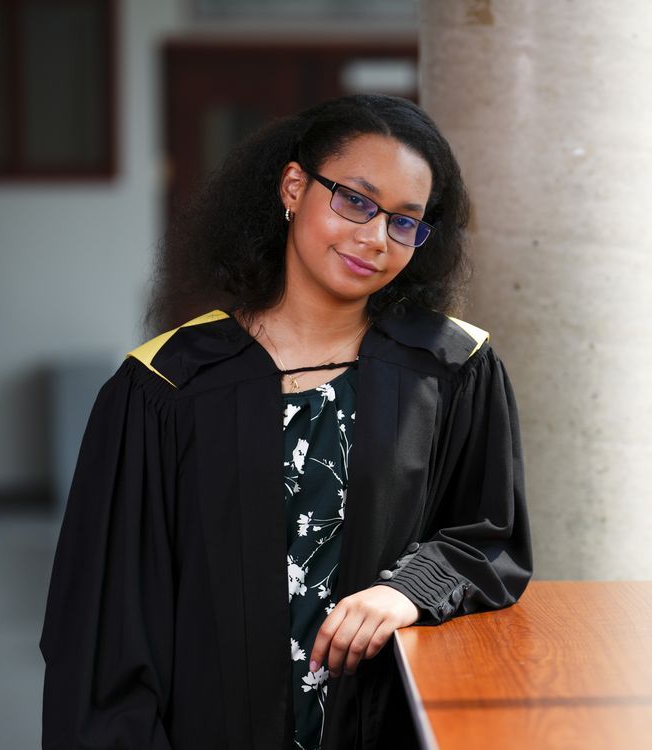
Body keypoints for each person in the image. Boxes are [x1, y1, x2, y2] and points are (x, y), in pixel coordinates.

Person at [40, 94, 532, 750]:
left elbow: (489, 537)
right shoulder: (169, 385)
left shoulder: (450, 370)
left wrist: (408, 591)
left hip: (386, 728)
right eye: (355, 200)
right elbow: (105, 631)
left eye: (405, 222)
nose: (374, 238)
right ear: (295, 186)